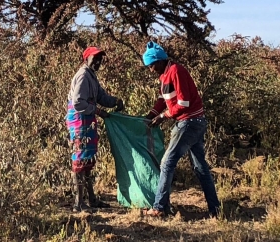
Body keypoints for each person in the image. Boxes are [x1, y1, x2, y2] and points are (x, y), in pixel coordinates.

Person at [141, 41, 220, 218]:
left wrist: (162, 116)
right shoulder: (165, 74)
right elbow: (164, 99)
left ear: (160, 61)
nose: (151, 70)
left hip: (189, 122)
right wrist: (151, 114)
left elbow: (184, 103)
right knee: (200, 168)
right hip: (195, 122)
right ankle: (215, 210)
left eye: (152, 65)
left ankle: (159, 208)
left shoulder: (176, 71)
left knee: (167, 162)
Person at [66, 46, 124, 212]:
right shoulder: (83, 75)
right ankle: (79, 203)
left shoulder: (91, 76)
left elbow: (101, 97)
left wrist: (115, 101)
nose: (98, 62)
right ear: (86, 59)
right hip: (79, 120)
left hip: (88, 120)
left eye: (100, 59)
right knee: (80, 160)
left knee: (88, 160)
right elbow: (78, 103)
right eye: (95, 59)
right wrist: (98, 111)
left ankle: (91, 199)